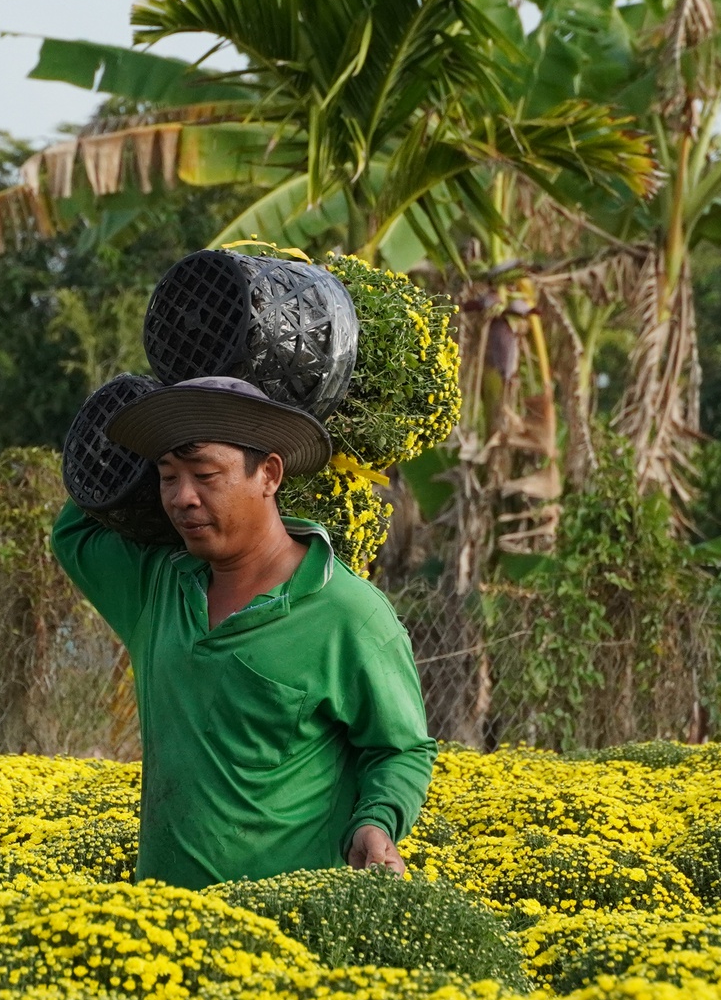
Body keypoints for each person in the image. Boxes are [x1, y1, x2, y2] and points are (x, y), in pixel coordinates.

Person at [51, 375, 437, 887]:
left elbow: (400, 749)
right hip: (162, 935)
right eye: (167, 477)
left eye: (206, 475)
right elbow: (74, 527)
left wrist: (375, 822)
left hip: (287, 934)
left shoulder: (348, 615)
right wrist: (170, 390)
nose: (182, 498)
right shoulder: (159, 589)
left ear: (269, 474)